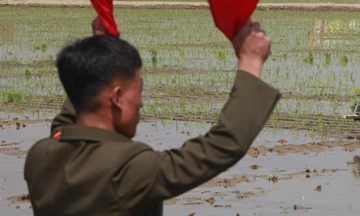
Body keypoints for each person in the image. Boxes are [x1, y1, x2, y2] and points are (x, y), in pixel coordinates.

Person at [24, 16, 279, 215]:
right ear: (116, 98)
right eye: (139, 92)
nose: (142, 103)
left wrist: (99, 54)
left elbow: (72, 114)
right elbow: (219, 148)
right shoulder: (126, 169)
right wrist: (250, 63)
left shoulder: (41, 156)